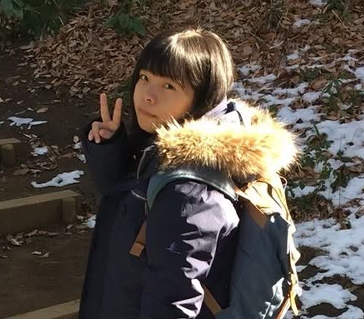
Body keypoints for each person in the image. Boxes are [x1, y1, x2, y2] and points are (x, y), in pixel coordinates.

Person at [78, 28, 299, 319]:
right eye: (144, 77)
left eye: (169, 86)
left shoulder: (190, 189)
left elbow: (174, 301)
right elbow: (128, 206)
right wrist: (113, 148)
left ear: (203, 96)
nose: (148, 95)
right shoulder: (166, 147)